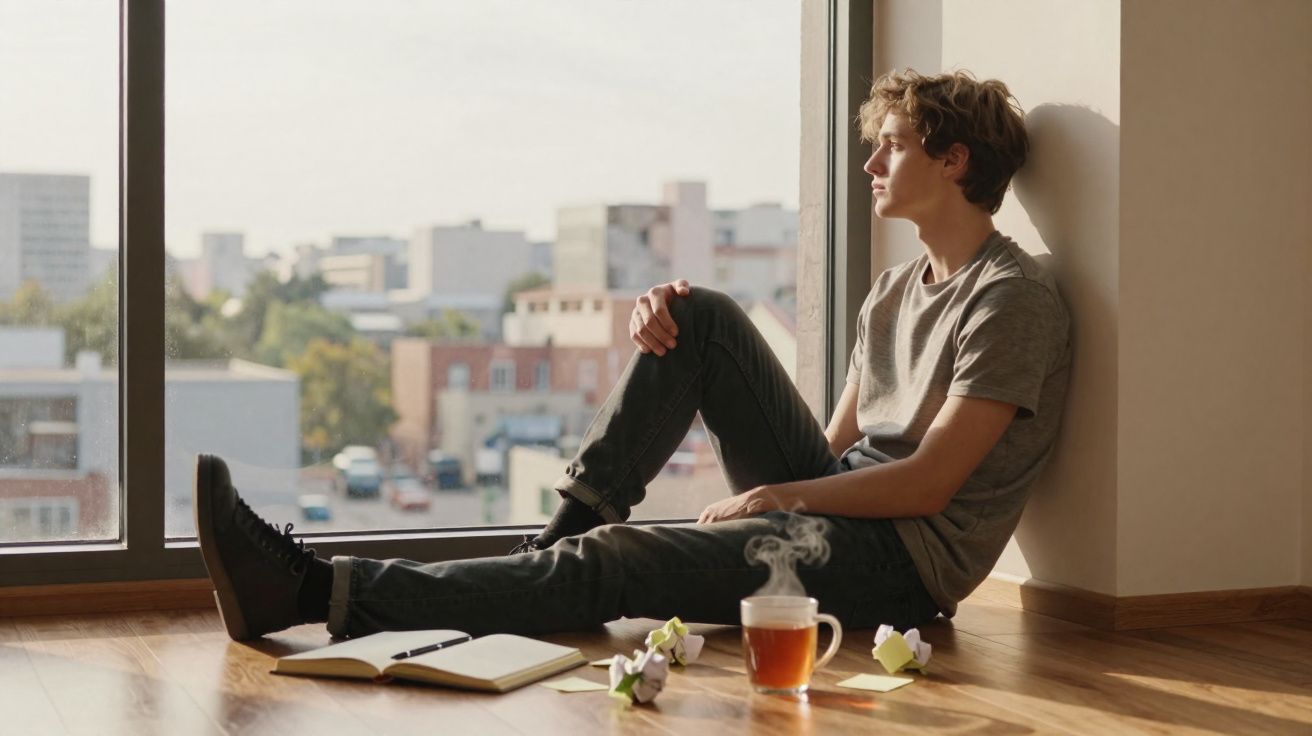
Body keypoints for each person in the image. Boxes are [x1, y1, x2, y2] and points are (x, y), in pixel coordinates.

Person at [194, 68, 1071, 642]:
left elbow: (929, 484)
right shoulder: (893, 290)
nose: (872, 160)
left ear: (955, 161)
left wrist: (777, 496)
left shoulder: (1012, 296)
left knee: (621, 563)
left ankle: (314, 593)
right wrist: (674, 325)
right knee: (702, 315)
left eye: (895, 145)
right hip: (842, 519)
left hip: (902, 572)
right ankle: (551, 559)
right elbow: (838, 448)